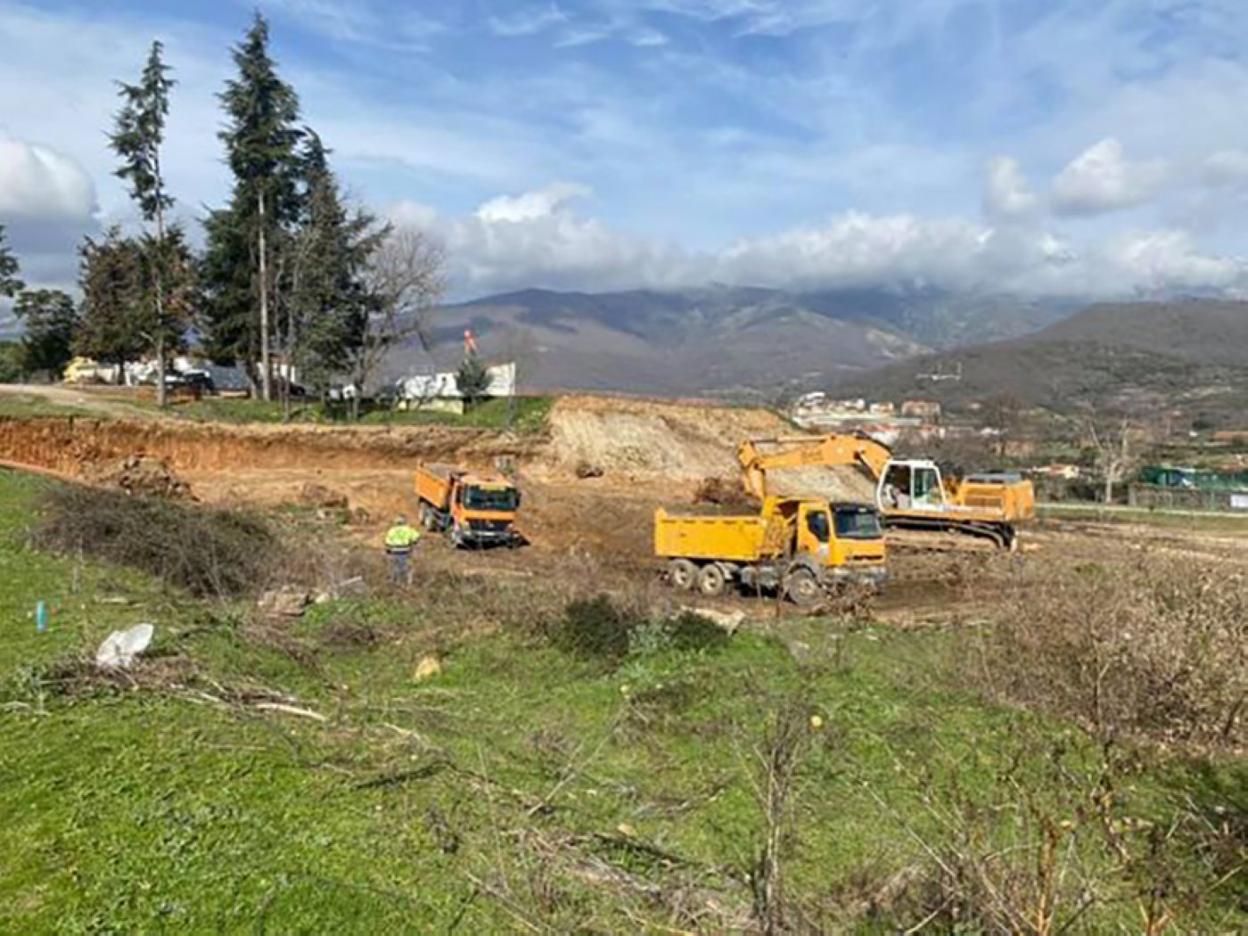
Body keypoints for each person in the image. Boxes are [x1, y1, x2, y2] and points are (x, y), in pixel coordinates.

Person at [384, 515, 421, 585]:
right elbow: (417, 537)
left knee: (395, 567)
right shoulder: (408, 529)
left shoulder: (391, 530)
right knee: (406, 567)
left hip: (394, 551)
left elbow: (387, 542)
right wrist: (413, 543)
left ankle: (395, 581)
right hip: (405, 551)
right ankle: (406, 582)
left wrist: (388, 551)